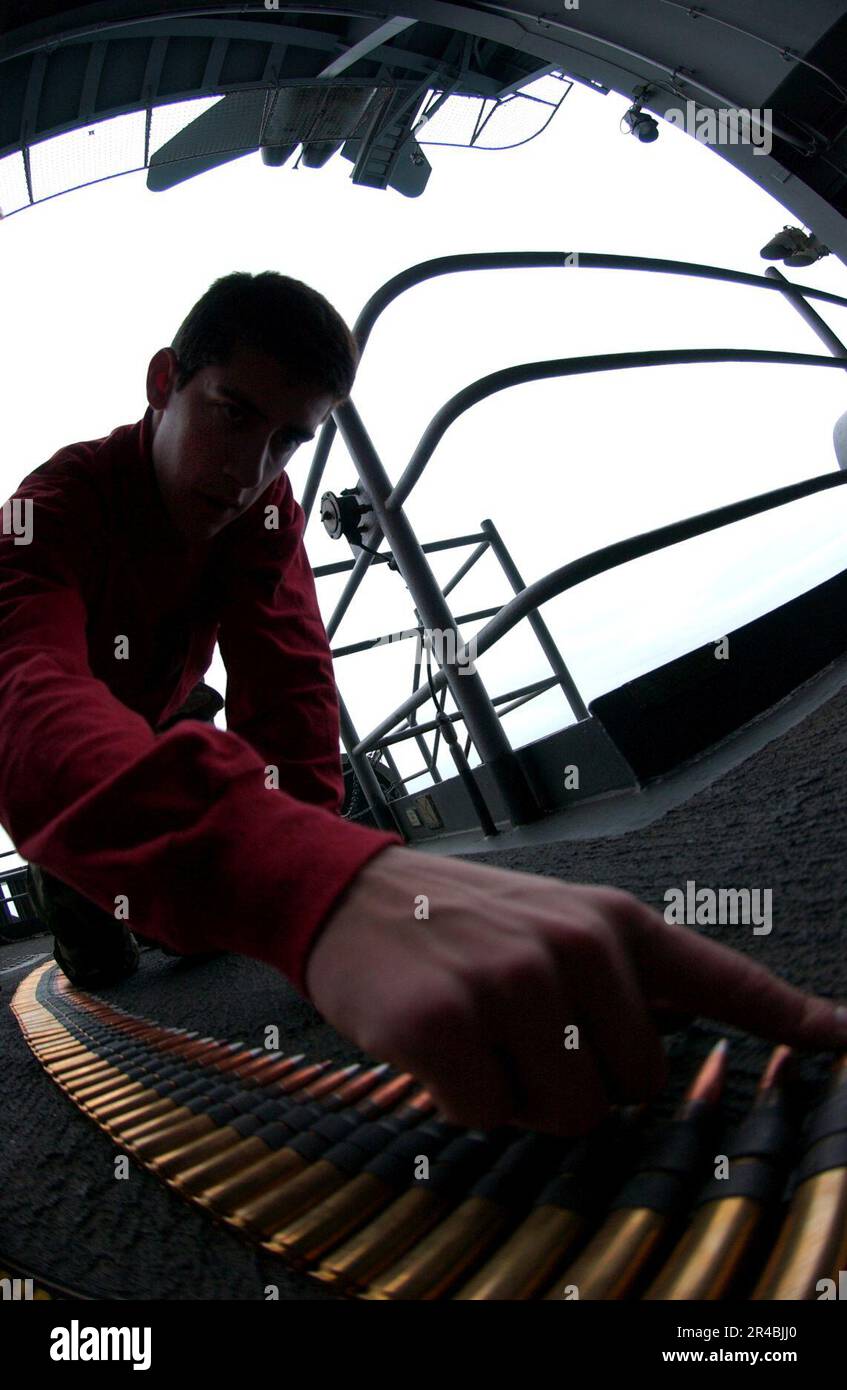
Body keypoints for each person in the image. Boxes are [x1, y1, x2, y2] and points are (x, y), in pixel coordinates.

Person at [0, 270, 844, 1139]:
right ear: (162, 384)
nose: (250, 472)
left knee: (204, 933)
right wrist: (285, 880)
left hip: (175, 715)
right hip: (76, 739)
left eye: (288, 440)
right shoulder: (49, 511)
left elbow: (289, 677)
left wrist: (322, 877)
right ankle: (77, 917)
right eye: (232, 412)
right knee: (101, 970)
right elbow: (23, 689)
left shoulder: (263, 511)